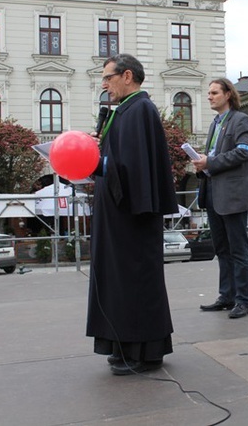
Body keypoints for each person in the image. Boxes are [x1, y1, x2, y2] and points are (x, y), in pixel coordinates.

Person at [86, 53, 179, 376]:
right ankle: (126, 345)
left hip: (132, 213)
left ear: (127, 76)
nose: (104, 84)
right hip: (119, 212)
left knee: (135, 279)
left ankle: (142, 350)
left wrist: (98, 164)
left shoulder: (139, 109)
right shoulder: (125, 111)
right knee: (122, 279)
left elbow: (134, 168)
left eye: (108, 77)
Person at [194, 78, 248, 319]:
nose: (209, 96)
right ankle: (227, 296)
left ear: (228, 95)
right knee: (222, 248)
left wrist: (209, 162)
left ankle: (243, 300)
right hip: (212, 191)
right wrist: (202, 164)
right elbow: (216, 154)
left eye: (214, 93)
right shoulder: (215, 123)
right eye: (209, 93)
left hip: (232, 195)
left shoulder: (240, 120)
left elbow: (244, 152)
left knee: (238, 249)